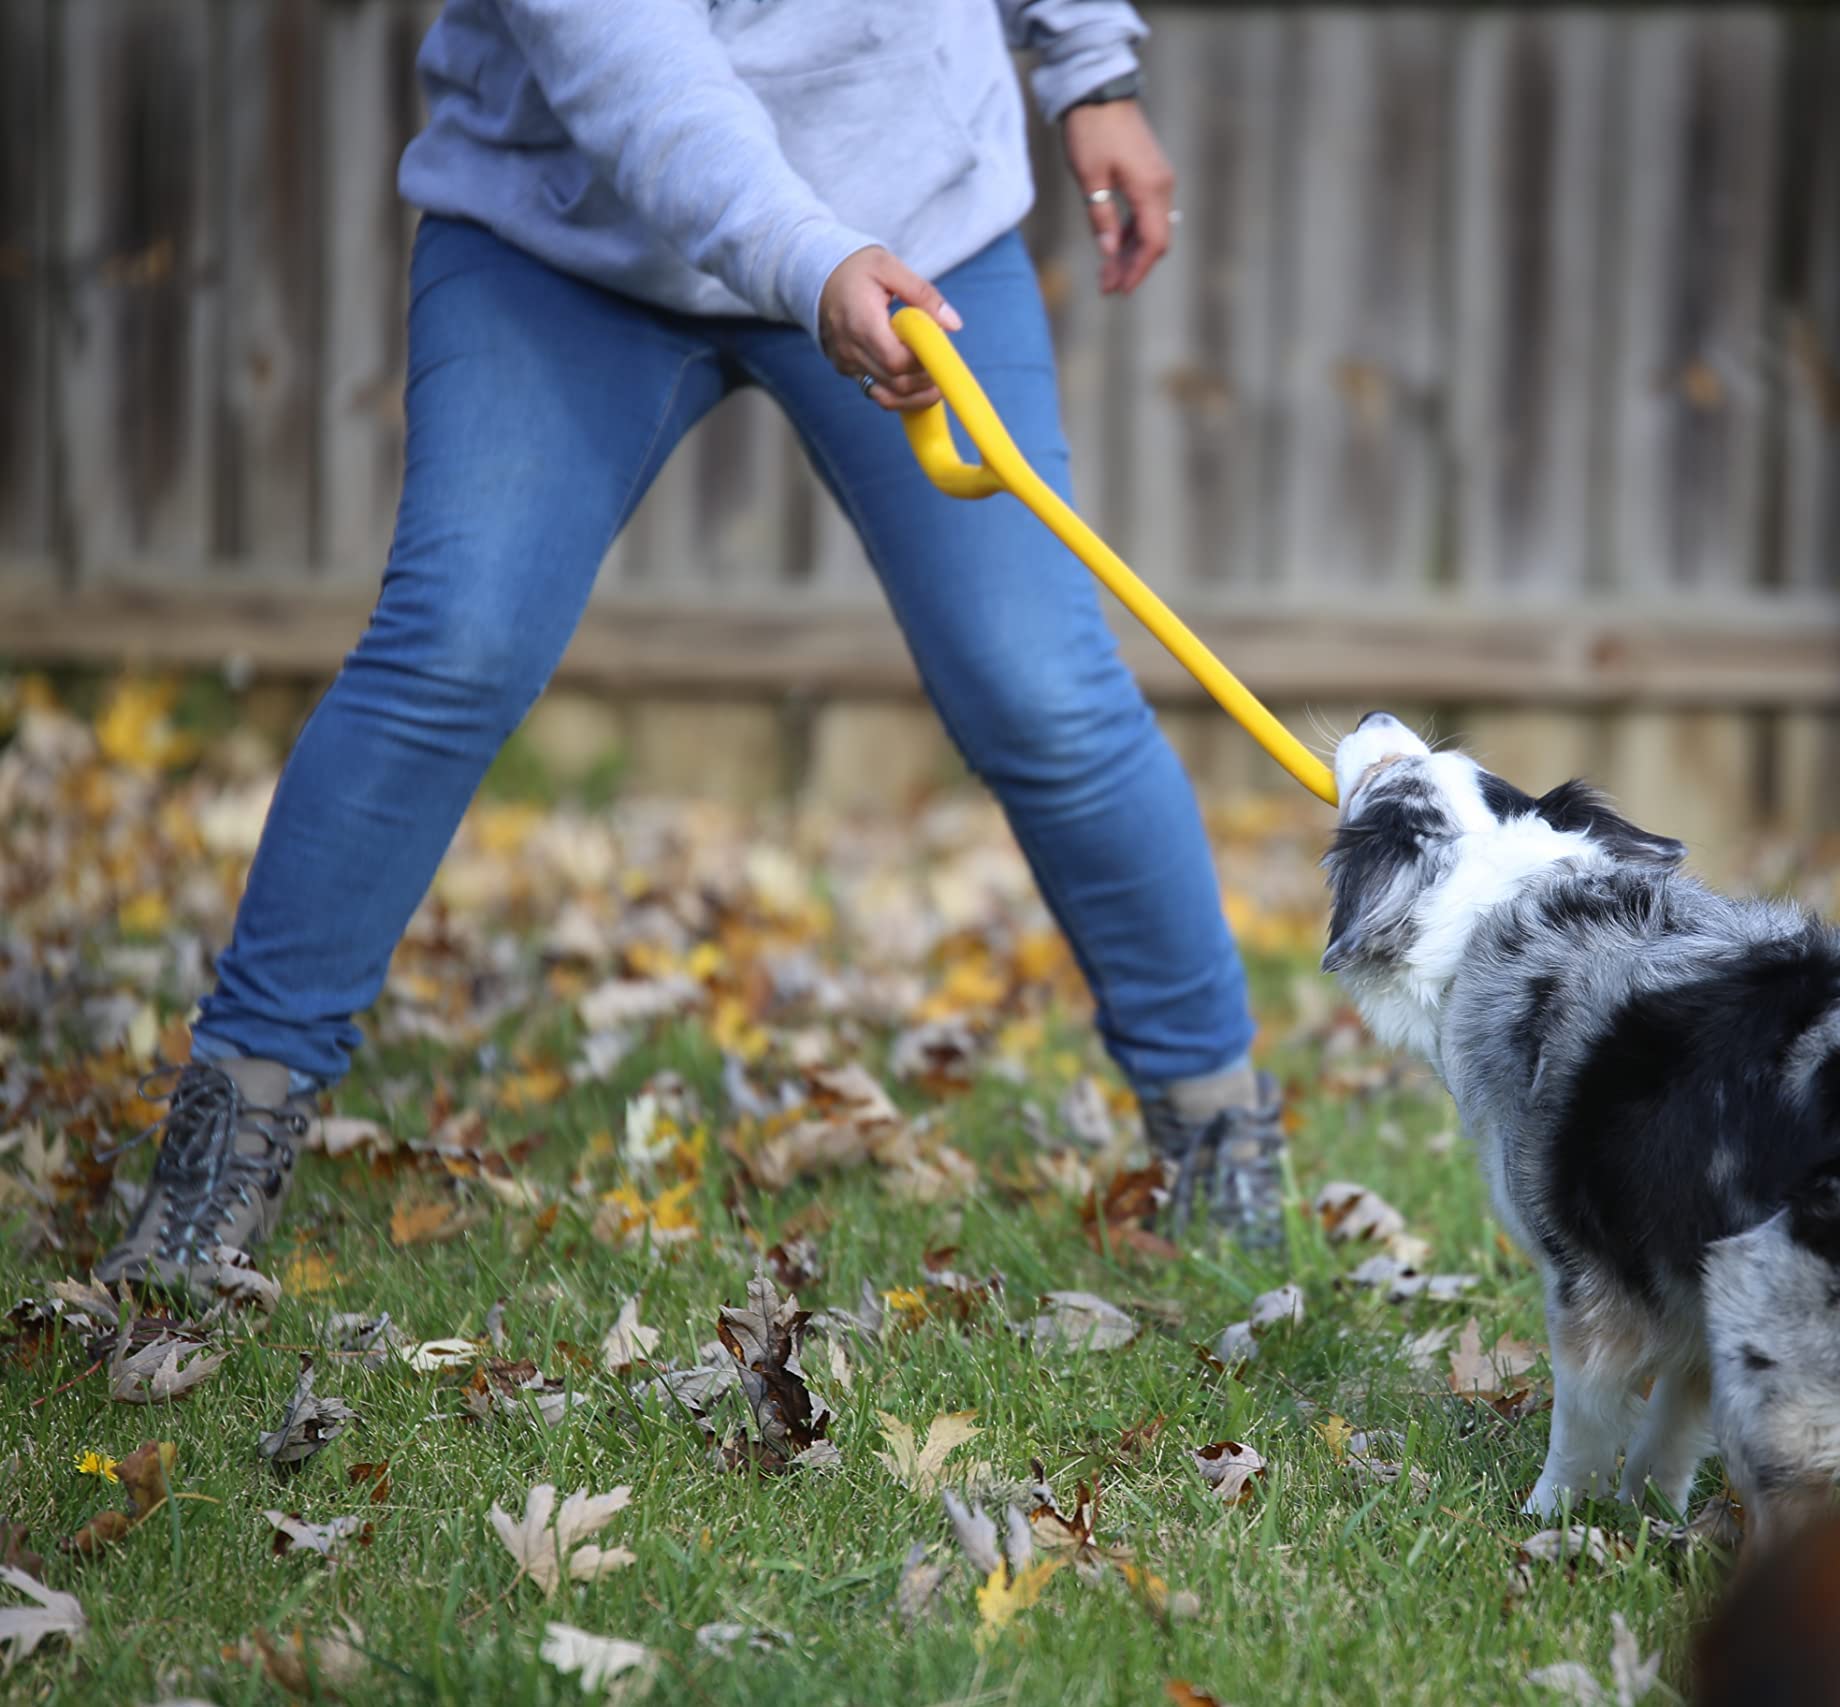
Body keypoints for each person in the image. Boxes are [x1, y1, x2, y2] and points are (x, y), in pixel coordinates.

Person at [95, 0, 1287, 1298]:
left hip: (914, 226)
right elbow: (632, 70)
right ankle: (232, 1121)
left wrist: (1089, 64)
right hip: (566, 241)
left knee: (1042, 686)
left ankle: (1218, 1132)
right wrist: (810, 258)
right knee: (455, 642)